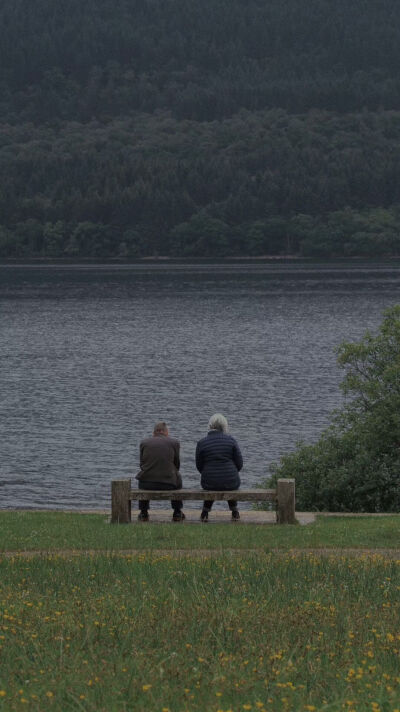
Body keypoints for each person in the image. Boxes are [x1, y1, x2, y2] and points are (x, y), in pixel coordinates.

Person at [195, 413, 243, 522]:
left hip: (208, 481)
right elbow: (239, 464)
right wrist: (232, 472)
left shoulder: (202, 443)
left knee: (213, 481)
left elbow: (199, 466)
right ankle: (235, 511)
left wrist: (208, 472)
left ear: (210, 426)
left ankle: (205, 512)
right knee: (228, 480)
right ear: (225, 426)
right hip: (231, 481)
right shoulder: (231, 440)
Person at [136, 421, 185, 522]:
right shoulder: (174, 443)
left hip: (147, 484)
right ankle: (177, 511)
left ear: (154, 433)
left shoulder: (144, 443)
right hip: (169, 484)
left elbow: (142, 464)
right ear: (166, 432)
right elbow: (177, 465)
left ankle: (144, 512)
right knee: (178, 477)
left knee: (143, 476)